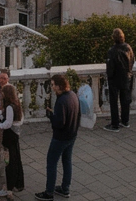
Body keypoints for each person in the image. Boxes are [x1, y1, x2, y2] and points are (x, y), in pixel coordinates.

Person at [36, 73, 78, 201]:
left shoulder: (61, 101)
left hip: (60, 137)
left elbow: (59, 123)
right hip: (72, 135)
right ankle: (65, 188)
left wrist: (51, 116)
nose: (52, 87)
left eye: (53, 85)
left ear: (59, 86)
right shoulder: (73, 95)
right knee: (67, 161)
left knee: (51, 163)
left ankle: (49, 193)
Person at [0, 83, 25, 196]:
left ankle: (9, 187)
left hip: (9, 136)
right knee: (16, 158)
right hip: (15, 135)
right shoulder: (16, 104)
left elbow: (8, 123)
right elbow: (17, 120)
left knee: (8, 162)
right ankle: (17, 183)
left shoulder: (9, 107)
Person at [104, 28, 135, 132]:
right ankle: (125, 121)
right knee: (125, 100)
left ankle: (115, 125)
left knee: (114, 101)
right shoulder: (128, 48)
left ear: (113, 38)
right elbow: (132, 61)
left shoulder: (112, 51)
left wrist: (109, 76)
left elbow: (110, 67)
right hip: (127, 77)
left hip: (115, 79)